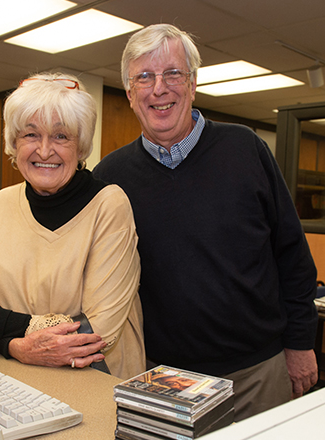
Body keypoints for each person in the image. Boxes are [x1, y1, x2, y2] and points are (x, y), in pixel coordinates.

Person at [93, 24, 318, 420]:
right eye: (144, 77)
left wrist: (300, 345)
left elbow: (292, 255)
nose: (159, 88)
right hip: (163, 379)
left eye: (173, 74)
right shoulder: (111, 177)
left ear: (193, 84)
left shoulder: (246, 148)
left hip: (258, 372)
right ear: (130, 93)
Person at [0, 72, 145, 380]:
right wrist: (16, 347)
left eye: (61, 136)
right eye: (31, 134)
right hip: (13, 378)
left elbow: (95, 331)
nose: (45, 150)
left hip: (95, 381)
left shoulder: (109, 204)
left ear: (81, 147)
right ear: (13, 143)